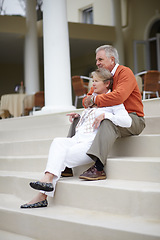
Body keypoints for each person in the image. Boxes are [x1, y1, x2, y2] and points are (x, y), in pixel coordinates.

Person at [20, 68, 132, 208]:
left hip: (89, 145)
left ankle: (42, 194)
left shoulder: (114, 102)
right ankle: (46, 182)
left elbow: (127, 122)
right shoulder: (92, 99)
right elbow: (90, 119)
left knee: (58, 158)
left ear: (107, 84)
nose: (93, 84)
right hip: (76, 140)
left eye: (96, 81)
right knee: (57, 142)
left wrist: (106, 116)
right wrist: (79, 117)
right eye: (92, 81)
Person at [74, 45, 145, 180]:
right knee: (78, 118)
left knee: (108, 121)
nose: (97, 63)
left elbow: (119, 97)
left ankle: (99, 168)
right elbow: (85, 101)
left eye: (100, 59)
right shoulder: (100, 77)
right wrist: (92, 100)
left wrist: (95, 99)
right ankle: (67, 162)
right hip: (111, 115)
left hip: (132, 118)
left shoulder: (125, 73)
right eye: (96, 60)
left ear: (112, 60)